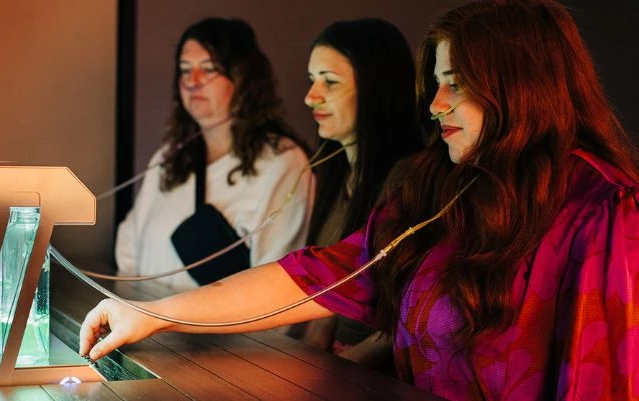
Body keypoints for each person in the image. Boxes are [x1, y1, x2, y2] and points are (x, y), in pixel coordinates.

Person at [82, 1, 639, 399]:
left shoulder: (602, 210)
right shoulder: (441, 189)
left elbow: (601, 379)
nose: (435, 105)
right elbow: (320, 277)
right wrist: (152, 313)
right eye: (436, 83)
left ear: (522, 87)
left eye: (458, 84)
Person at [115, 18, 313, 291]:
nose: (192, 82)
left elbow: (278, 287)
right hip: (145, 325)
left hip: (225, 332)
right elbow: (128, 246)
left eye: (208, 70)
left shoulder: (281, 162)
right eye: (185, 71)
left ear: (242, 78)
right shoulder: (168, 158)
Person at [297, 18, 421, 369]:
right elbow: (324, 291)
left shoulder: (408, 180)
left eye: (330, 82)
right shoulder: (336, 171)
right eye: (311, 80)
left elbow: (404, 321)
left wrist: (333, 372)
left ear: (376, 89)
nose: (310, 96)